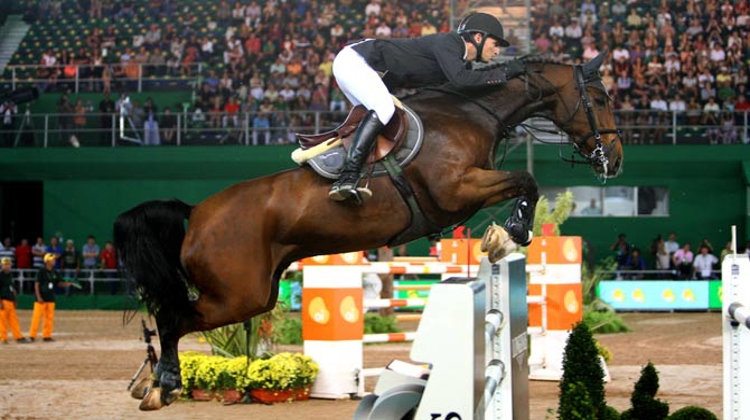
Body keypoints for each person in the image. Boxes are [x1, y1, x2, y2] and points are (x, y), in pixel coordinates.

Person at [327, 12, 524, 203]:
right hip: (355, 61)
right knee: (384, 110)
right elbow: (462, 80)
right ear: (478, 37)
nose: (497, 51)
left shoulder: (460, 63)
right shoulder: (450, 43)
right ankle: (347, 177)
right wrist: (504, 72)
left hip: (362, 67)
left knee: (384, 121)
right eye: (495, 44)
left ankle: (347, 169)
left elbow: (462, 90)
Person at [29, 253, 75, 342]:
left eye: (54, 259)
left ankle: (47, 335)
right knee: (37, 317)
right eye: (52, 259)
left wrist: (67, 284)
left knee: (49, 318)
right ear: (47, 261)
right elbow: (37, 284)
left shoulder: (54, 272)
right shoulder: (41, 271)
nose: (54, 261)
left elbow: (59, 283)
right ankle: (32, 335)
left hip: (50, 298)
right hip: (41, 298)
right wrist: (38, 296)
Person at [0, 257, 31, 343]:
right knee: (2, 321)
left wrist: (15, 300)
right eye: (5, 264)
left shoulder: (10, 275)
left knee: (14, 320)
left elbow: (12, 288)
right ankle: (3, 338)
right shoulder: (0, 276)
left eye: (8, 264)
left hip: (10, 301)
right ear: (1, 265)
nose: (7, 266)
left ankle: (18, 337)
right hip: (3, 300)